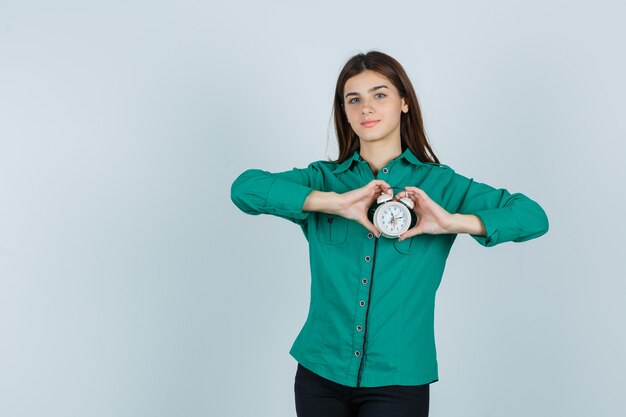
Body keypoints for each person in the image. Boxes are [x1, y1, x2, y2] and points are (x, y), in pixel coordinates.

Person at [230, 50, 549, 417]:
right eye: (355, 99)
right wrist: (333, 203)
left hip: (399, 380)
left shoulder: (440, 185)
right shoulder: (324, 181)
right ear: (345, 112)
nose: (366, 107)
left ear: (404, 103)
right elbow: (245, 188)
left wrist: (452, 223)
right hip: (319, 371)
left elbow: (533, 216)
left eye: (379, 94)